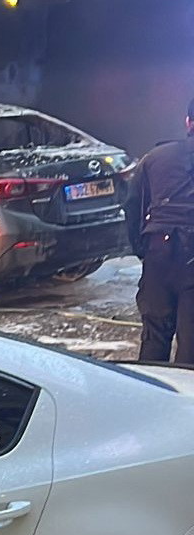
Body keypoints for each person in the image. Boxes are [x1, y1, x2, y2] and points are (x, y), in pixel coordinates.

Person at [124, 99, 194, 363]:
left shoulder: (154, 158)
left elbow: (133, 206)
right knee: (191, 344)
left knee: (154, 338)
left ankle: (150, 385)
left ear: (188, 122)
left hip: (159, 253)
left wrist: (142, 249)